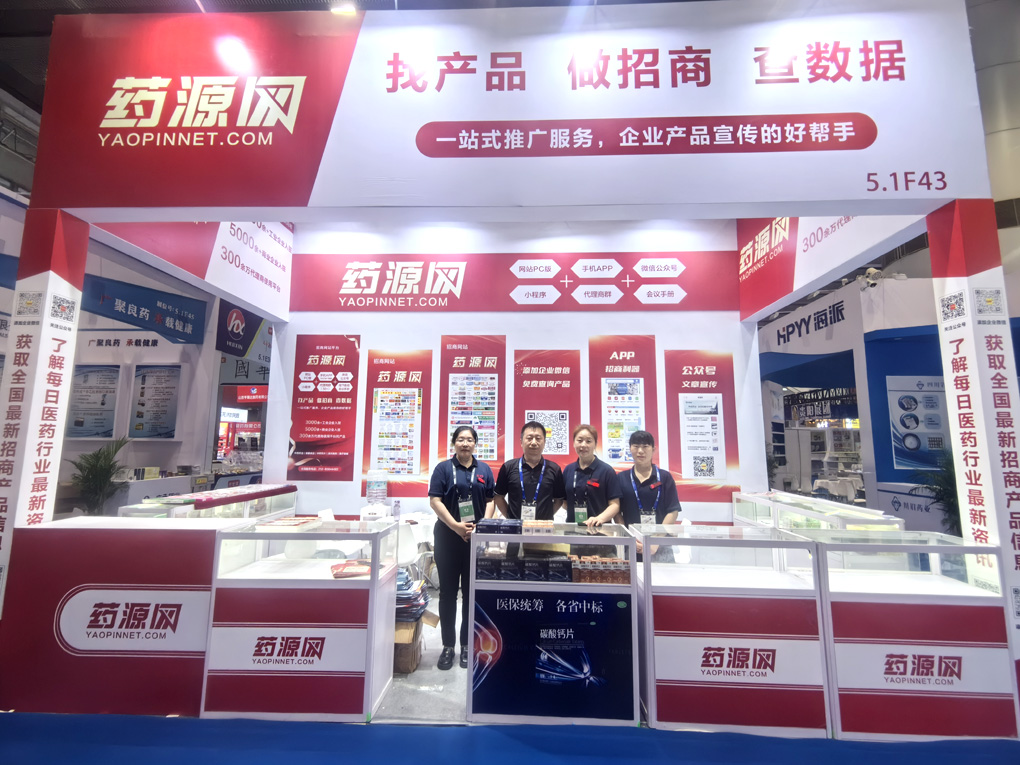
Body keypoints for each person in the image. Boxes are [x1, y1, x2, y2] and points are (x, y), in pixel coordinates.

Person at [428, 425, 494, 670]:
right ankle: (448, 646)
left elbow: (490, 500)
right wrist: (456, 526)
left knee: (470, 593)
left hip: (474, 538)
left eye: (469, 440)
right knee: (447, 593)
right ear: (453, 443)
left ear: (475, 444)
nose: (465, 443)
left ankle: (467, 645)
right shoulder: (443, 468)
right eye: (460, 439)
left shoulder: (484, 469)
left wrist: (482, 525)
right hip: (448, 536)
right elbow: (435, 500)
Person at [614, 430, 681, 562]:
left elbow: (673, 511)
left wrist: (655, 541)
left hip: (661, 545)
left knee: (663, 575)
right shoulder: (621, 478)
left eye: (645, 446)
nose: (640, 451)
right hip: (632, 545)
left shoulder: (665, 477)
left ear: (653, 449)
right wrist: (629, 538)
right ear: (630, 449)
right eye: (636, 446)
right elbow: (617, 512)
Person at [493, 420, 565, 522]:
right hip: (515, 528)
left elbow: (559, 500)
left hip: (543, 528)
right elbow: (498, 497)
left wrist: (546, 516)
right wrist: (510, 518)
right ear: (521, 442)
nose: (534, 442)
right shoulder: (508, 467)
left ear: (544, 442)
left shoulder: (554, 469)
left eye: (538, 438)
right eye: (529, 438)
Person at [563, 424, 621, 526]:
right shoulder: (568, 470)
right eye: (579, 440)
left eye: (588, 441)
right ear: (573, 443)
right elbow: (564, 502)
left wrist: (599, 518)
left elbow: (615, 504)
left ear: (595, 444)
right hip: (573, 528)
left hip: (600, 529)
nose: (583, 445)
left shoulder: (607, 471)